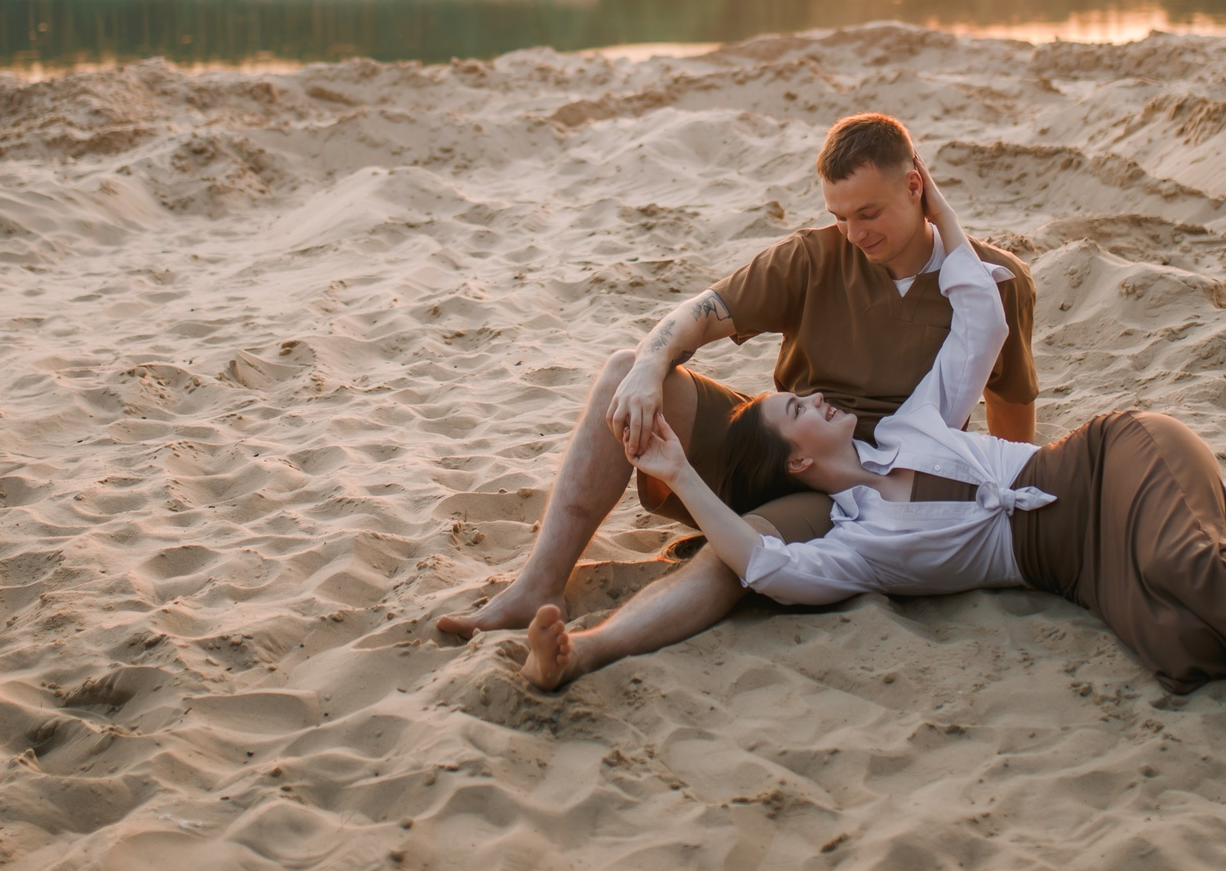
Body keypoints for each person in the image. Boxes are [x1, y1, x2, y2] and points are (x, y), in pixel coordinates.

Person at [602, 166, 1226, 762]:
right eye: (801, 406)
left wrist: (933, 206)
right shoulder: (850, 544)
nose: (819, 395)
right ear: (795, 458)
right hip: (1070, 564)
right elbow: (761, 563)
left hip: (1107, 461)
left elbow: (981, 312)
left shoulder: (906, 425)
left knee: (1181, 563)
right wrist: (679, 472)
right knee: (1183, 646)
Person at [437, 113, 1039, 688]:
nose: (854, 234)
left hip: (855, 489)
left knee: (736, 556)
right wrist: (649, 366)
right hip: (777, 440)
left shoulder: (991, 280)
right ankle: (541, 582)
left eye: (869, 213)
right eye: (840, 215)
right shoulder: (815, 254)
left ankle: (589, 649)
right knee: (625, 370)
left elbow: (1009, 417)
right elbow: (696, 316)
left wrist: (1007, 507)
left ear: (916, 188)